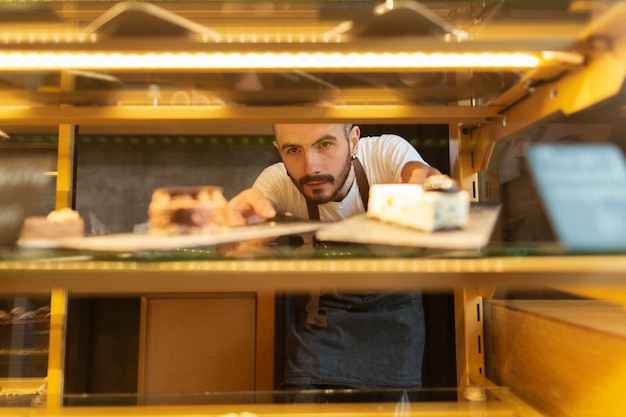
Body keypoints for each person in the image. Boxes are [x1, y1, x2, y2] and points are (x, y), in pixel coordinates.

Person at [226, 123, 443, 395]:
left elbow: (419, 175)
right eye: (293, 149)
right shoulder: (277, 180)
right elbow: (245, 223)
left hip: (394, 316)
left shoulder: (386, 153)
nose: (311, 167)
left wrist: (429, 188)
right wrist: (236, 233)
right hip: (321, 319)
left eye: (325, 144)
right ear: (278, 150)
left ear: (354, 141)